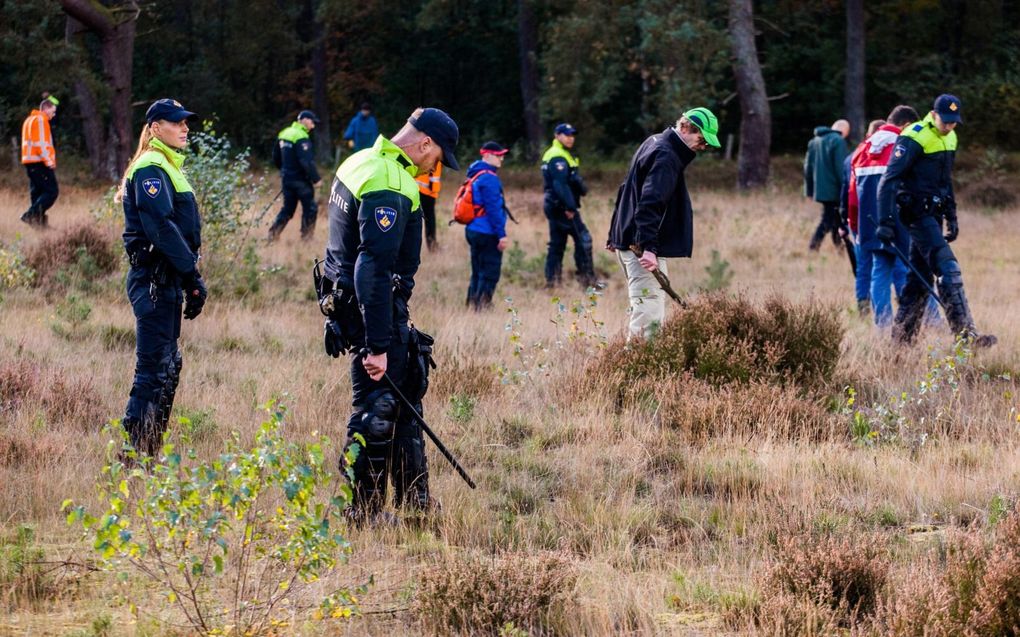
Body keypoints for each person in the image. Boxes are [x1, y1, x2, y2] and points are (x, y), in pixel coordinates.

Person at [320, 107, 459, 522]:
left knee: (406, 388)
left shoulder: (360, 160)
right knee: (377, 407)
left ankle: (414, 500)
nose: (436, 166)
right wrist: (377, 343)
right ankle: (360, 511)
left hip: (352, 303)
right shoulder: (390, 180)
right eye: (437, 157)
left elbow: (337, 252)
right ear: (424, 144)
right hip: (374, 307)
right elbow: (372, 265)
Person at [116, 99, 207, 455]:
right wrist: (192, 275)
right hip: (154, 280)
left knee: (169, 366)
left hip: (167, 279)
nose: (185, 128)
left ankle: (148, 452)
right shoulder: (152, 166)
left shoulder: (168, 165)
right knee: (153, 370)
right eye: (176, 123)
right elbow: (160, 228)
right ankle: (133, 456)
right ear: (155, 128)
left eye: (186, 122)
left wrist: (186, 278)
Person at [876, 94, 995, 346]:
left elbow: (945, 181)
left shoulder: (951, 137)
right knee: (948, 267)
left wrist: (951, 215)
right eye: (946, 121)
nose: (949, 126)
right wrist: (885, 221)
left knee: (919, 281)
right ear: (934, 114)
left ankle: (900, 344)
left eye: (954, 122)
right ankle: (966, 337)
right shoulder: (913, 136)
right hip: (916, 215)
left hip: (935, 214)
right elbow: (889, 180)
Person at [607, 107, 720, 340]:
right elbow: (650, 202)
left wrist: (614, 235)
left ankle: (633, 368)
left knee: (643, 306)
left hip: (628, 241)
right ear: (686, 127)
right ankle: (637, 371)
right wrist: (649, 247)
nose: (704, 147)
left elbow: (626, 189)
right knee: (649, 315)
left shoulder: (654, 142)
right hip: (640, 247)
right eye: (702, 139)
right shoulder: (667, 155)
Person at [847, 106, 918, 326]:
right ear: (905, 125)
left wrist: (855, 226)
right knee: (912, 272)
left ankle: (883, 326)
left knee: (879, 273)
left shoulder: (862, 149)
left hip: (870, 225)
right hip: (898, 223)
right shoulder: (902, 146)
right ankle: (918, 323)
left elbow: (852, 195)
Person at [541, 122, 597, 288]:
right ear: (557, 136)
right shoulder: (557, 156)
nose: (570, 138)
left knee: (557, 244)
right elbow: (560, 185)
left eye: (572, 135)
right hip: (562, 207)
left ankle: (552, 282)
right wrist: (570, 207)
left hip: (555, 205)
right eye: (567, 135)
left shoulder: (560, 153)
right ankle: (587, 281)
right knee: (583, 239)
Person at [840, 118, 886, 317]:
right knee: (882, 266)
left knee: (863, 266)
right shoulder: (883, 155)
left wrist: (844, 220)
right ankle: (880, 308)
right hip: (876, 218)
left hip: (856, 219)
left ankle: (863, 307)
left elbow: (844, 192)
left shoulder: (851, 157)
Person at [464, 142, 509, 310]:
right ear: (487, 155)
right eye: (498, 155)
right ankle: (482, 306)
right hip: (487, 232)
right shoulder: (489, 178)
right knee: (490, 271)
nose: (501, 159)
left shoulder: (474, 173)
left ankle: (472, 303)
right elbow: (493, 210)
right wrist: (501, 235)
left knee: (477, 270)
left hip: (472, 229)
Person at [267, 110, 323, 241]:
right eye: (312, 122)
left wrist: (284, 170)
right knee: (310, 209)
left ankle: (273, 234)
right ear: (303, 120)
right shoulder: (301, 136)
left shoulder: (284, 133)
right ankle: (307, 239)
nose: (313, 125)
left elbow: (275, 157)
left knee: (288, 209)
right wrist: (316, 179)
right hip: (301, 181)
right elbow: (306, 162)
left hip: (287, 179)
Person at [804, 119, 850, 251]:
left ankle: (840, 249)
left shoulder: (814, 141)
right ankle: (813, 247)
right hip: (834, 191)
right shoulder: (838, 141)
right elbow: (840, 169)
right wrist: (846, 189)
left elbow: (808, 168)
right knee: (828, 220)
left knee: (836, 221)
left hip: (821, 190)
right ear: (844, 130)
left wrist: (809, 190)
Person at [20, 93, 60, 227]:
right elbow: (41, 144)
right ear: (46, 109)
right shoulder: (41, 120)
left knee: (37, 193)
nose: (53, 115)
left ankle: (41, 227)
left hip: (29, 162)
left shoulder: (29, 120)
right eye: (53, 112)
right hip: (39, 163)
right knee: (51, 191)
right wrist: (49, 161)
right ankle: (30, 216)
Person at [415, 161, 442, 250]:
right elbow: (433, 176)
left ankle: (431, 243)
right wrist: (433, 191)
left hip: (421, 189)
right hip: (428, 191)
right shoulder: (435, 153)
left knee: (424, 218)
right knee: (430, 219)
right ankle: (432, 245)